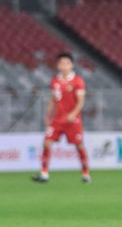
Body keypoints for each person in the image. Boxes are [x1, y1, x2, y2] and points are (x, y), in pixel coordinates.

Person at [32, 53, 91, 183]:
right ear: (58, 66)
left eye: (67, 63)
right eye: (61, 63)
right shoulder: (55, 81)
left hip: (73, 120)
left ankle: (86, 173)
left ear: (72, 65)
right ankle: (44, 174)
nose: (64, 66)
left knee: (79, 145)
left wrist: (73, 114)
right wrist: (48, 115)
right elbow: (53, 99)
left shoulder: (78, 80)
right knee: (47, 142)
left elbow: (81, 101)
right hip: (57, 119)